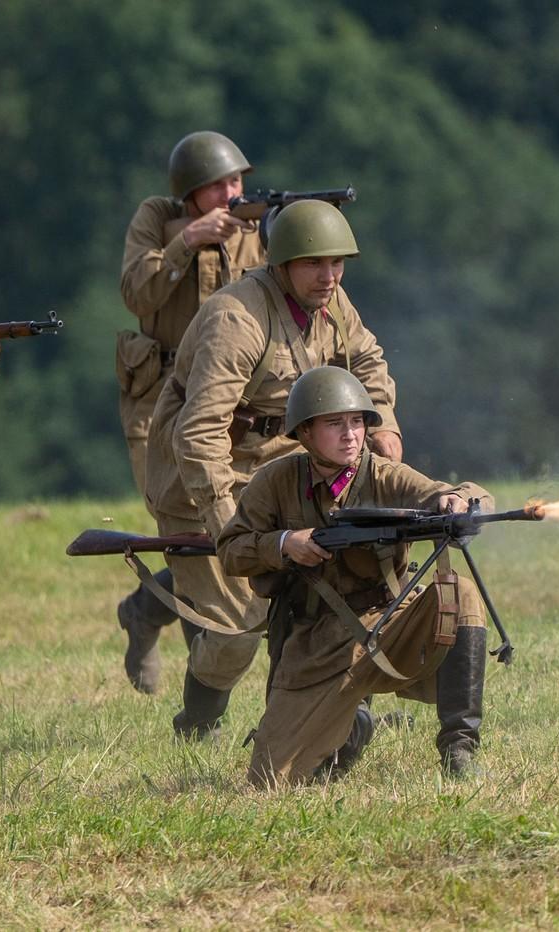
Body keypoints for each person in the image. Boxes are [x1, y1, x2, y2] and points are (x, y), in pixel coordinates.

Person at [144, 199, 404, 739]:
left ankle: (314, 713)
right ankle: (198, 722)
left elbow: (369, 360)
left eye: (337, 264)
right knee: (240, 625)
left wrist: (385, 429)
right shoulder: (234, 318)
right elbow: (197, 436)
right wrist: (236, 535)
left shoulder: (332, 302)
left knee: (325, 593)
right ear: (282, 263)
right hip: (200, 480)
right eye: (315, 264)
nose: (329, 276)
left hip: (284, 465)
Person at [217, 367, 490, 786]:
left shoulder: (383, 474)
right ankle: (352, 729)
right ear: (304, 433)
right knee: (268, 781)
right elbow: (231, 551)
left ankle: (459, 748)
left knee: (461, 593)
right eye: (335, 423)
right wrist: (285, 543)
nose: (351, 434)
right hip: (316, 642)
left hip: (392, 621)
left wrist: (452, 500)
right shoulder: (274, 482)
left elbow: (447, 493)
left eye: (358, 422)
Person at [114, 130, 265, 694]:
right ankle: (203, 688)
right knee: (186, 528)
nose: (234, 192)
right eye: (220, 185)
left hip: (228, 400)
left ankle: (146, 611)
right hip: (158, 403)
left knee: (229, 530)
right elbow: (137, 293)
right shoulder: (156, 219)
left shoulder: (257, 233)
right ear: (190, 193)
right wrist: (188, 243)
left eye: (238, 181)